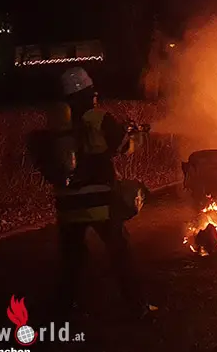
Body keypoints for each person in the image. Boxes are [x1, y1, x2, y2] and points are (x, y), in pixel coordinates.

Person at [50, 67, 149, 320]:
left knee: (71, 262)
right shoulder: (99, 118)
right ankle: (138, 307)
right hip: (99, 203)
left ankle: (63, 311)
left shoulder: (59, 124)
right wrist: (136, 136)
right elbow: (123, 146)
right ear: (87, 92)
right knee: (120, 254)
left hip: (67, 206)